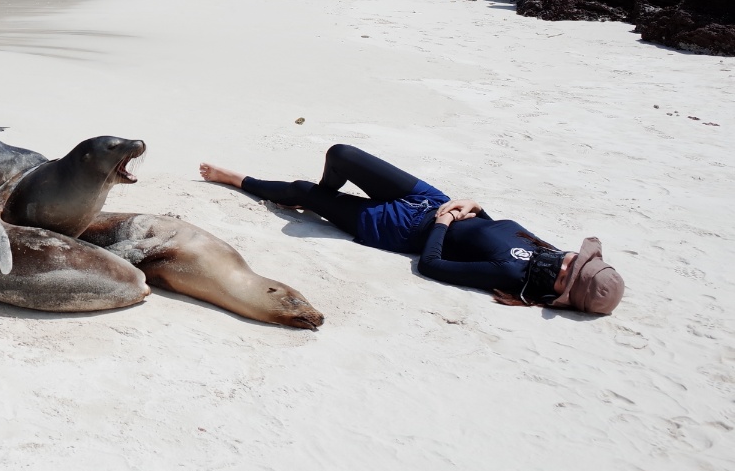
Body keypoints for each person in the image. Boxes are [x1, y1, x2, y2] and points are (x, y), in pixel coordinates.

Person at [199, 144, 624, 315]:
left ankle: (237, 180)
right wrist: (474, 206)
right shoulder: (541, 251)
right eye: (578, 254)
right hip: (430, 199)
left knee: (302, 190)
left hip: (396, 228)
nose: (570, 255)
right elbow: (494, 227)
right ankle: (313, 197)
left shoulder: (512, 277)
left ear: (564, 285)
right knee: (342, 154)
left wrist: (441, 224)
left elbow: (434, 266)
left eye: (575, 265)